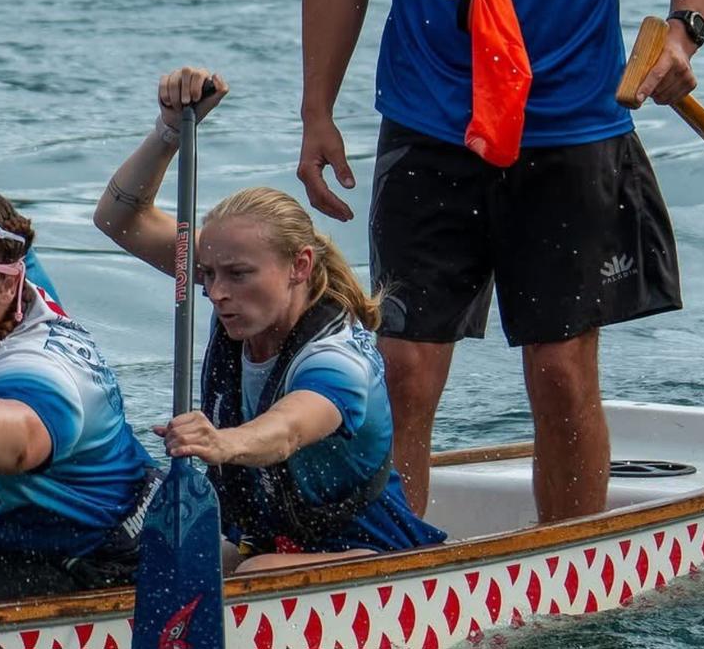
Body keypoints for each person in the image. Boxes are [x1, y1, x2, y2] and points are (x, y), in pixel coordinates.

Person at [297, 0, 704, 522]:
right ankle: (392, 554)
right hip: (428, 116)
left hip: (570, 119)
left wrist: (684, 31)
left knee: (560, 370)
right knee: (403, 369)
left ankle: (573, 554)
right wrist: (317, 111)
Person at [93, 68, 447, 573]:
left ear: (299, 266)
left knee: (251, 570)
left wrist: (222, 443)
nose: (216, 292)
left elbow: (286, 430)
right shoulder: (239, 289)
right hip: (269, 547)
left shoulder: (336, 360)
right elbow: (117, 218)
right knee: (136, 549)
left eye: (237, 275)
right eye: (208, 273)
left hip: (375, 562)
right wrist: (169, 130)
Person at [0, 182, 159, 604]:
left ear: (7, 286)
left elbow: (22, 442)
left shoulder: (33, 370)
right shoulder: (13, 274)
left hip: (96, 562)